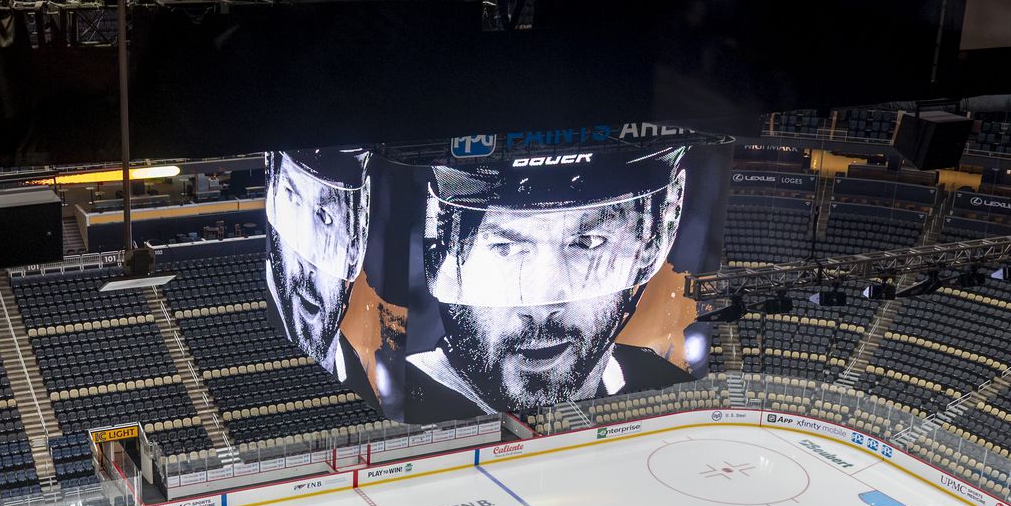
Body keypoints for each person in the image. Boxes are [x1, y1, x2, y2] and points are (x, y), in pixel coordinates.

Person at [405, 147, 692, 420]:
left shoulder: (662, 382)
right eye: (505, 247)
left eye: (588, 242)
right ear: (446, 252)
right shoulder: (409, 394)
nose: (543, 303)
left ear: (651, 242)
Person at [264, 148, 383, 407]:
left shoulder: (363, 384)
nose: (309, 261)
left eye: (325, 218)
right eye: (292, 201)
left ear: (355, 245)